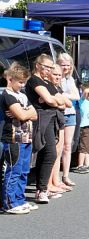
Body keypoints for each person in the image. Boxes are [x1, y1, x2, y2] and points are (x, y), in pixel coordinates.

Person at [28, 54, 68, 204]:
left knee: (49, 153)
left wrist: (52, 100)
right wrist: (52, 100)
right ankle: (42, 189)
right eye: (47, 67)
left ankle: (42, 189)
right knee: (46, 153)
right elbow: (51, 100)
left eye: (52, 67)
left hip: (51, 119)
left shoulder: (46, 83)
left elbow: (65, 102)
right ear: (38, 65)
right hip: (41, 119)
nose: (49, 71)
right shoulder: (34, 80)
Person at [1, 64, 37, 214]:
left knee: (23, 171)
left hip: (26, 137)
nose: (22, 85)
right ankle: (9, 203)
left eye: (24, 82)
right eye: (20, 82)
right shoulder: (7, 95)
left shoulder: (22, 96)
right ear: (10, 79)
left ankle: (19, 199)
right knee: (13, 170)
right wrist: (24, 112)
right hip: (13, 138)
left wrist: (24, 111)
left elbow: (34, 114)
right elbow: (22, 115)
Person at [48, 65, 72, 193]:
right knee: (52, 153)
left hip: (60, 119)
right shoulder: (49, 87)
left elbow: (67, 103)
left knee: (58, 151)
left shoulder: (58, 87)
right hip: (52, 120)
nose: (57, 77)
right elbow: (60, 103)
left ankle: (56, 181)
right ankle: (49, 183)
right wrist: (59, 101)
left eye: (59, 75)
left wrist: (59, 101)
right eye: (55, 74)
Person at [57, 53, 80, 187]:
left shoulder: (70, 79)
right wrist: (68, 96)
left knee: (67, 146)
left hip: (70, 113)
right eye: (63, 64)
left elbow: (77, 96)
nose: (65, 67)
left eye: (68, 65)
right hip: (60, 113)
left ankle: (65, 175)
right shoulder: (55, 78)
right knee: (58, 148)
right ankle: (56, 178)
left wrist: (64, 95)